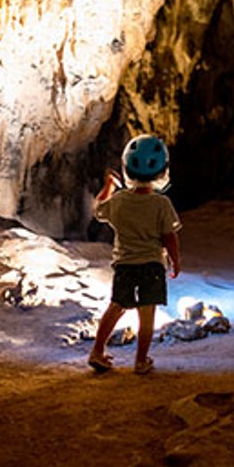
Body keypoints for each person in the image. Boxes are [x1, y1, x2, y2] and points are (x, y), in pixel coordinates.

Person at [88, 134, 182, 374]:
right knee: (147, 313)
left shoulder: (118, 201)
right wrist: (175, 259)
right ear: (162, 171)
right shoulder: (161, 204)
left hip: (125, 264)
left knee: (117, 306)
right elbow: (169, 236)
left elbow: (98, 208)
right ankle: (141, 361)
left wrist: (109, 185)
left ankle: (97, 351)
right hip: (152, 265)